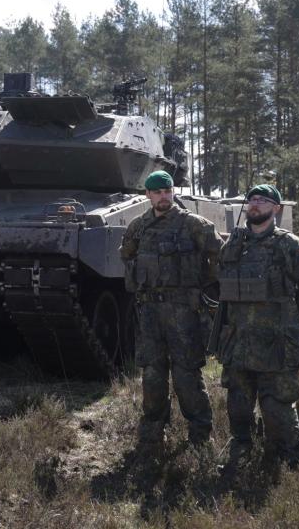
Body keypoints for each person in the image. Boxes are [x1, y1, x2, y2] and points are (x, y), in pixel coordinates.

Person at [210, 184, 299, 468]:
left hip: (276, 344)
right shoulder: (233, 245)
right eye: (252, 200)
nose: (256, 204)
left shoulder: (290, 245)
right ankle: (241, 458)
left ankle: (288, 463)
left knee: (277, 408)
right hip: (239, 342)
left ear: (276, 209)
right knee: (238, 406)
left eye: (263, 200)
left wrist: (286, 314)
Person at [120, 170, 222, 452]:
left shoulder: (194, 225)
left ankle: (201, 436)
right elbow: (127, 256)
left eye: (167, 191)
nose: (163, 197)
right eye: (157, 192)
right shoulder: (138, 227)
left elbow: (220, 256)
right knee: (152, 374)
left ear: (173, 192)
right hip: (150, 313)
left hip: (184, 312)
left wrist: (207, 289)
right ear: (148, 196)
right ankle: (152, 434)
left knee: (187, 375)